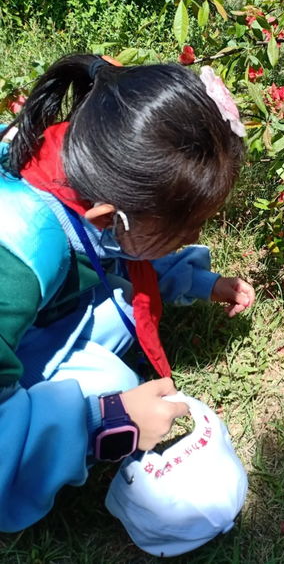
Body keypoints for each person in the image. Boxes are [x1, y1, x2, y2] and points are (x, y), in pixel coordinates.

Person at [0, 54, 255, 532]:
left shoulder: (81, 164)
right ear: (108, 216)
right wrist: (104, 422)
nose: (192, 235)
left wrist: (200, 281)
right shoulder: (18, 256)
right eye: (184, 230)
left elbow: (123, 252)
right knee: (110, 380)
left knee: (117, 310)